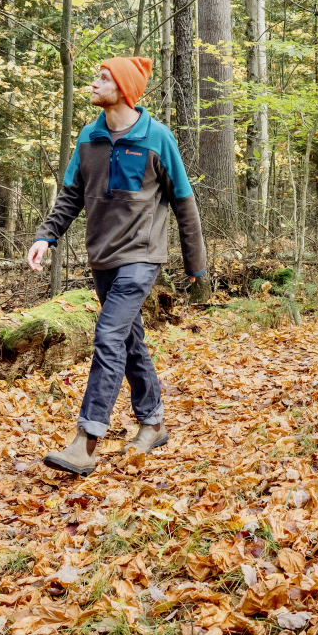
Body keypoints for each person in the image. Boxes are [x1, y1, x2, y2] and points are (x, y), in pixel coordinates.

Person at [27, 57, 206, 476]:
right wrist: (44, 236)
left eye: (102, 77)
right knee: (128, 341)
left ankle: (86, 441)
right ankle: (154, 422)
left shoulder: (157, 137)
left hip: (142, 257)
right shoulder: (89, 138)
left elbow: (183, 200)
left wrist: (196, 263)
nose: (93, 82)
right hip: (102, 257)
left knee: (107, 334)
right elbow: (71, 194)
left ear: (124, 88)